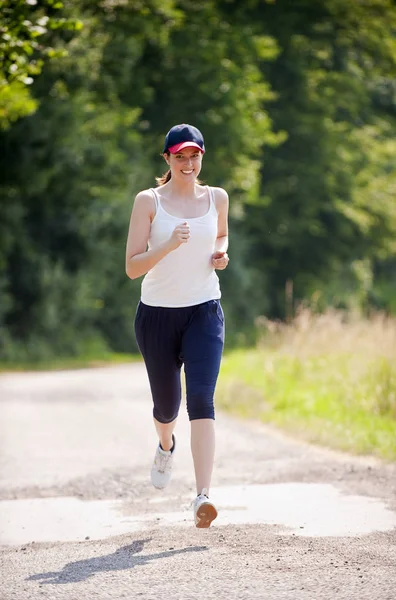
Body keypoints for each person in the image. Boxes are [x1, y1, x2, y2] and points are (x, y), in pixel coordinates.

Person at [125, 123, 229, 528]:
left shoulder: (217, 197)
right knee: (166, 409)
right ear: (167, 159)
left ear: (203, 156)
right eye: (180, 156)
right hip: (157, 315)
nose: (188, 163)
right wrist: (167, 245)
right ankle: (165, 445)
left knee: (201, 399)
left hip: (204, 310)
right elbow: (132, 267)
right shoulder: (148, 201)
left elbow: (221, 235)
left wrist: (220, 253)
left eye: (194, 155)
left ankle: (202, 496)